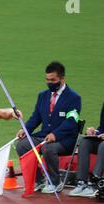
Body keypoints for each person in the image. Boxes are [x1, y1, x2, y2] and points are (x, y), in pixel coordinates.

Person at [15, 61, 81, 193]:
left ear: (62, 78)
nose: (49, 82)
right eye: (47, 80)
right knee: (22, 145)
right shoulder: (43, 96)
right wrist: (25, 130)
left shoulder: (74, 98)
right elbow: (36, 117)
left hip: (65, 140)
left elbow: (71, 121)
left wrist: (56, 134)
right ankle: (38, 180)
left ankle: (55, 182)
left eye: (53, 80)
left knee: (48, 147)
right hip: (44, 136)